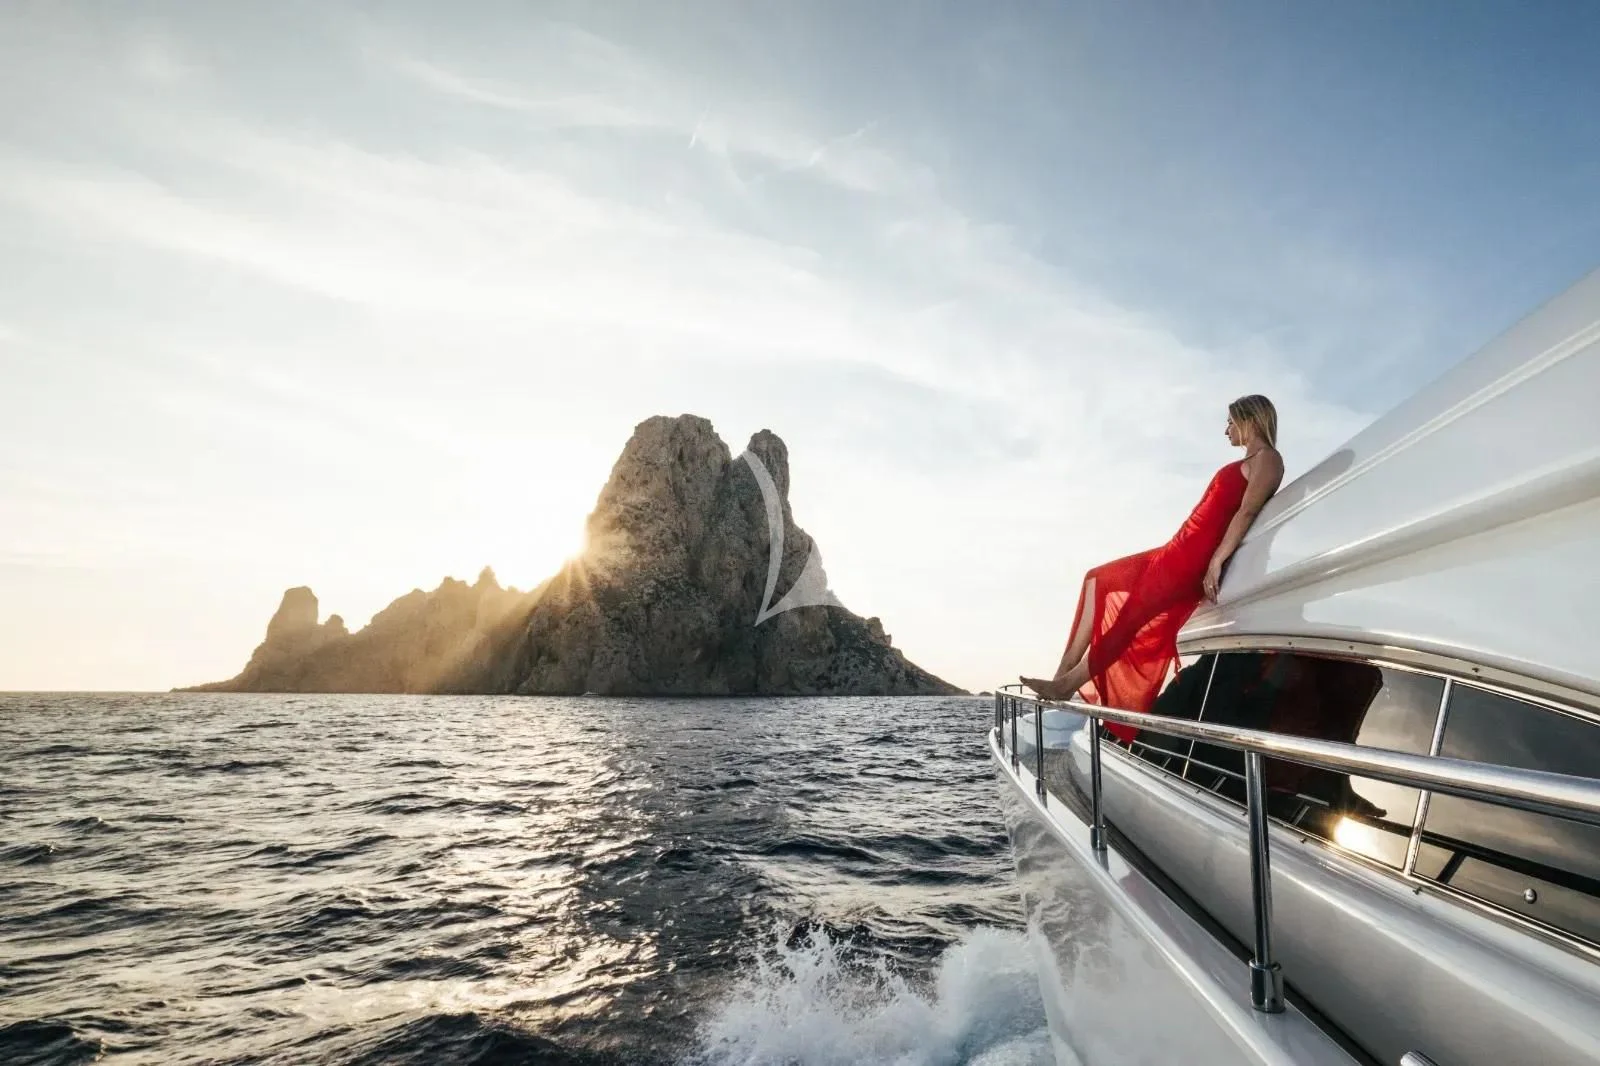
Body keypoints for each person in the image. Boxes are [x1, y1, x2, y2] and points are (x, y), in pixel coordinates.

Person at [1020, 395, 1285, 739]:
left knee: (1128, 619)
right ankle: (1062, 675)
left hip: (1190, 558)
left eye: (1231, 422)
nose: (1226, 430)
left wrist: (1218, 559)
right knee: (1095, 579)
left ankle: (1066, 685)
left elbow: (1246, 512)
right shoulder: (1251, 460)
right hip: (1175, 548)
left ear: (1249, 419)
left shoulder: (1268, 459)